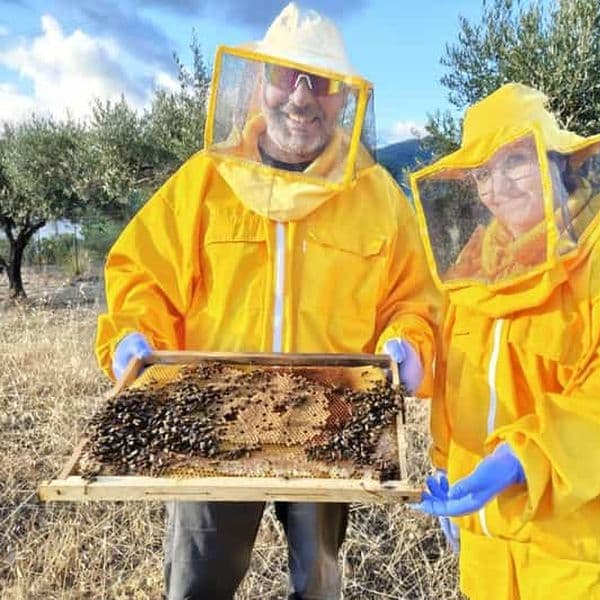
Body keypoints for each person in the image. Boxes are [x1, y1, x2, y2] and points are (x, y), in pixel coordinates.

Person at [95, 4, 438, 599]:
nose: (301, 98)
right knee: (198, 584)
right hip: (211, 428)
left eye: (321, 82)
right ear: (259, 82)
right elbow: (144, 276)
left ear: (343, 98)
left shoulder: (378, 197)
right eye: (285, 76)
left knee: (318, 584)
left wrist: (407, 344)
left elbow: (414, 298)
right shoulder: (204, 182)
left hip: (332, 427)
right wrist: (134, 336)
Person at [409, 83, 600, 599]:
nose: (497, 187)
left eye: (514, 161)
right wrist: (447, 462)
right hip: (487, 535)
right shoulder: (475, 266)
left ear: (556, 160)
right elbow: (459, 383)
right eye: (482, 173)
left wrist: (522, 458)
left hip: (577, 539)